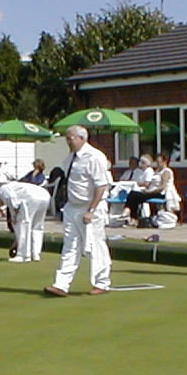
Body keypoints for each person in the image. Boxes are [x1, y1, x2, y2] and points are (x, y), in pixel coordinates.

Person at [44, 125, 113, 296]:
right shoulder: (69, 159)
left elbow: (101, 185)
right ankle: (61, 284)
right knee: (70, 246)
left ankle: (102, 283)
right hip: (72, 207)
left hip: (91, 207)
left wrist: (91, 210)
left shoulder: (94, 157)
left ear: (82, 138)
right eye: (67, 138)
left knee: (96, 245)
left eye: (71, 138)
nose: (68, 141)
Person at [0, 180, 51, 262]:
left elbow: (14, 204)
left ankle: (23, 255)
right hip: (45, 195)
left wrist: (15, 219)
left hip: (32, 197)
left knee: (23, 224)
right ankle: (35, 254)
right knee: (37, 226)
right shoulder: (13, 187)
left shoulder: (3, 190)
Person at [123, 154, 163, 227]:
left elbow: (146, 184)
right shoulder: (143, 171)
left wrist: (136, 183)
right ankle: (131, 215)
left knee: (134, 195)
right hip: (148, 191)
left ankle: (129, 213)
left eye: (143, 163)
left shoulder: (149, 171)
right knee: (133, 195)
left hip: (153, 192)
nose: (141, 164)